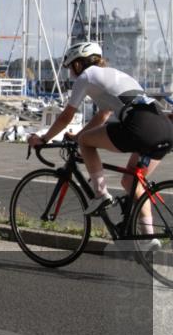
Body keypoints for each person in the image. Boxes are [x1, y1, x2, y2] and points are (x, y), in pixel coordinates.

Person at [28, 42, 172, 240]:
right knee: (131, 182)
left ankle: (101, 194)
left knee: (86, 142)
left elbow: (67, 116)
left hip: (140, 126)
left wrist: (44, 138)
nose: (71, 73)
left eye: (70, 67)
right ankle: (148, 239)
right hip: (164, 128)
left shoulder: (87, 76)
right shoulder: (113, 75)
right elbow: (103, 116)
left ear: (78, 64)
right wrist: (77, 136)